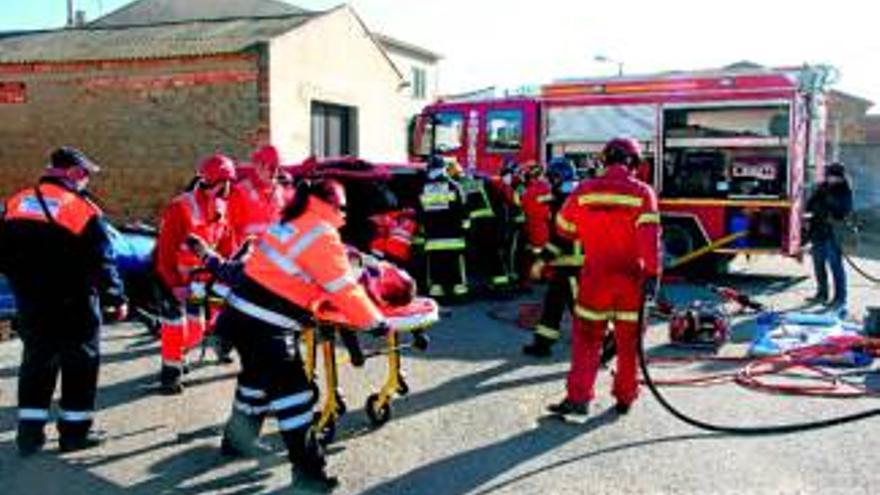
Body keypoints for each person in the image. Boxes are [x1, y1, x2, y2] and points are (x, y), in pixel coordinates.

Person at [214, 178, 387, 490]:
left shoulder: (289, 221)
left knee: (254, 381)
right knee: (295, 397)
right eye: (344, 207)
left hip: (238, 314)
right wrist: (374, 321)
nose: (345, 214)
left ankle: (236, 441)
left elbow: (287, 273)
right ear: (333, 205)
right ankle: (309, 476)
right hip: (266, 324)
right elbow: (343, 288)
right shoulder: (323, 234)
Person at [0, 147, 127, 456]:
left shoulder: (15, 202)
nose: (86, 180)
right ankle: (73, 433)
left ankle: (29, 435)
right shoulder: (81, 209)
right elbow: (102, 260)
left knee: (36, 362)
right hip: (75, 302)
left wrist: (23, 280)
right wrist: (115, 297)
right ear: (70, 173)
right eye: (84, 174)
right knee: (79, 364)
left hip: (31, 300)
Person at [548, 137, 661, 422]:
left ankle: (578, 400)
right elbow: (650, 243)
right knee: (629, 342)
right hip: (631, 279)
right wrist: (652, 277)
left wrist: (589, 229)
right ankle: (625, 398)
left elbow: (563, 229)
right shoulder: (643, 193)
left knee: (587, 339)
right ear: (633, 163)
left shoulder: (584, 190)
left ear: (605, 160)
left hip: (595, 277)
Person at [153, 154, 237, 394]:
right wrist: (174, 284)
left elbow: (226, 246)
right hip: (170, 279)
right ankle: (170, 374)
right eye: (228, 180)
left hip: (197, 282)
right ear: (217, 181)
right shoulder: (180, 206)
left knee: (197, 329)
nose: (231, 186)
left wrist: (227, 272)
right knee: (174, 327)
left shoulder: (222, 209)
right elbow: (165, 251)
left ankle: (178, 356)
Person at [523, 158, 582, 357]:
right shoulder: (568, 197)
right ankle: (542, 343)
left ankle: (602, 344)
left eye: (551, 178)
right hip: (564, 263)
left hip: (575, 264)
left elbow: (560, 239)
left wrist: (540, 262)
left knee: (580, 310)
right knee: (553, 305)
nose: (549, 182)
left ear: (559, 178)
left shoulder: (567, 202)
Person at [417, 155, 470, 298]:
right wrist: (465, 229)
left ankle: (436, 289)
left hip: (433, 236)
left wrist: (422, 230)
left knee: (435, 263)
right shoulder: (454, 186)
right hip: (453, 236)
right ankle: (459, 289)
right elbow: (463, 210)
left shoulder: (424, 188)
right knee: (454, 263)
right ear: (444, 169)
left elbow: (420, 212)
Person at [805, 162, 853, 310]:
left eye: (833, 176)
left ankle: (840, 298)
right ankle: (822, 294)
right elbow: (811, 203)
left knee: (835, 267)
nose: (830, 178)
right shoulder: (822, 187)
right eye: (829, 175)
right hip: (817, 231)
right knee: (818, 265)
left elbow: (844, 210)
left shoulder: (844, 190)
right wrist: (808, 216)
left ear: (840, 177)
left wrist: (828, 198)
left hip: (833, 234)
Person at [227, 145, 286, 243]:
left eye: (278, 168)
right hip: (249, 254)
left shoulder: (279, 191)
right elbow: (231, 230)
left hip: (274, 253)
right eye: (271, 168)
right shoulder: (240, 192)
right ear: (258, 166)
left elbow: (280, 225)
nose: (275, 173)